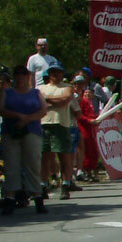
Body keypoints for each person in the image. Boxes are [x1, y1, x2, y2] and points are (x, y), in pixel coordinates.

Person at [0, 67, 47, 213]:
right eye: (17, 74)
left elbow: (43, 110)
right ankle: (10, 197)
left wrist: (27, 119)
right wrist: (17, 116)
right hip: (11, 130)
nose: (20, 77)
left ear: (28, 76)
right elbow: (1, 109)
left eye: (23, 74)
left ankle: (37, 195)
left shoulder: (36, 93)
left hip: (31, 130)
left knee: (33, 163)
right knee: (11, 164)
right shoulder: (7, 93)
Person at [40, 70, 78, 198]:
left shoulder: (67, 87)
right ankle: (43, 184)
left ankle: (66, 184)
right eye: (53, 73)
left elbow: (65, 99)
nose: (56, 75)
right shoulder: (41, 88)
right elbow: (40, 103)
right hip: (44, 123)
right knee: (45, 157)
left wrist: (47, 100)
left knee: (64, 156)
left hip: (61, 124)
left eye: (58, 73)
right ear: (49, 75)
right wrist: (54, 101)